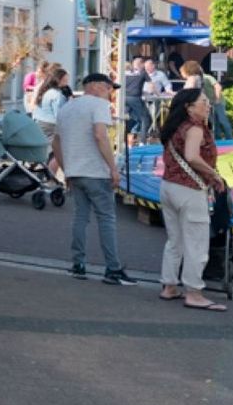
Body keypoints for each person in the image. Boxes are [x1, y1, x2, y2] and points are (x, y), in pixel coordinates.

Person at [51, 73, 133, 285]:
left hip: (75, 171)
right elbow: (100, 135)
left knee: (80, 217)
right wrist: (113, 168)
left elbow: (56, 143)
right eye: (109, 88)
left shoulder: (67, 108)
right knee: (106, 218)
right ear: (97, 87)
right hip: (95, 171)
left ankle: (78, 263)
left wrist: (66, 169)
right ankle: (112, 268)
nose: (111, 94)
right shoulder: (98, 105)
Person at [156, 87, 225, 309]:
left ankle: (169, 285)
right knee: (196, 242)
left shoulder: (174, 126)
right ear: (189, 107)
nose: (207, 106)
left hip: (169, 186)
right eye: (202, 102)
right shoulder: (195, 129)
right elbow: (192, 156)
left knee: (174, 241)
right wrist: (213, 174)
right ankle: (194, 292)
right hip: (190, 189)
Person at [122, 58, 152, 142]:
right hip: (135, 98)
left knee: (129, 118)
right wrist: (157, 94)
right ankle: (142, 141)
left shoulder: (125, 74)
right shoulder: (142, 73)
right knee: (145, 119)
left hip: (124, 97)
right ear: (141, 64)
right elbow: (151, 85)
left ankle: (127, 139)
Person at [32, 65, 70, 134]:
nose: (67, 83)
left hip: (38, 123)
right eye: (65, 80)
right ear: (58, 80)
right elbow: (60, 117)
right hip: (50, 127)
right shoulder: (57, 95)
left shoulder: (44, 91)